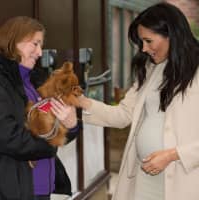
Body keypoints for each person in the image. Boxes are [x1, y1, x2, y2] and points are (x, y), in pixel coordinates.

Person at [78, 2, 199, 200]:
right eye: (141, 42)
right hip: (143, 179)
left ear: (171, 34)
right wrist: (81, 103)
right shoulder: (150, 69)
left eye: (148, 41)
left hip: (184, 179)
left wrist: (172, 155)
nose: (144, 48)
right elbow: (123, 114)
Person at [0, 16, 78, 200]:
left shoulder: (37, 81)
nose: (40, 52)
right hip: (15, 190)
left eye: (41, 45)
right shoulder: (3, 82)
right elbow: (9, 136)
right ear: (13, 41)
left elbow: (52, 128)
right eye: (34, 44)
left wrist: (72, 124)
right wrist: (52, 143)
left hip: (42, 188)